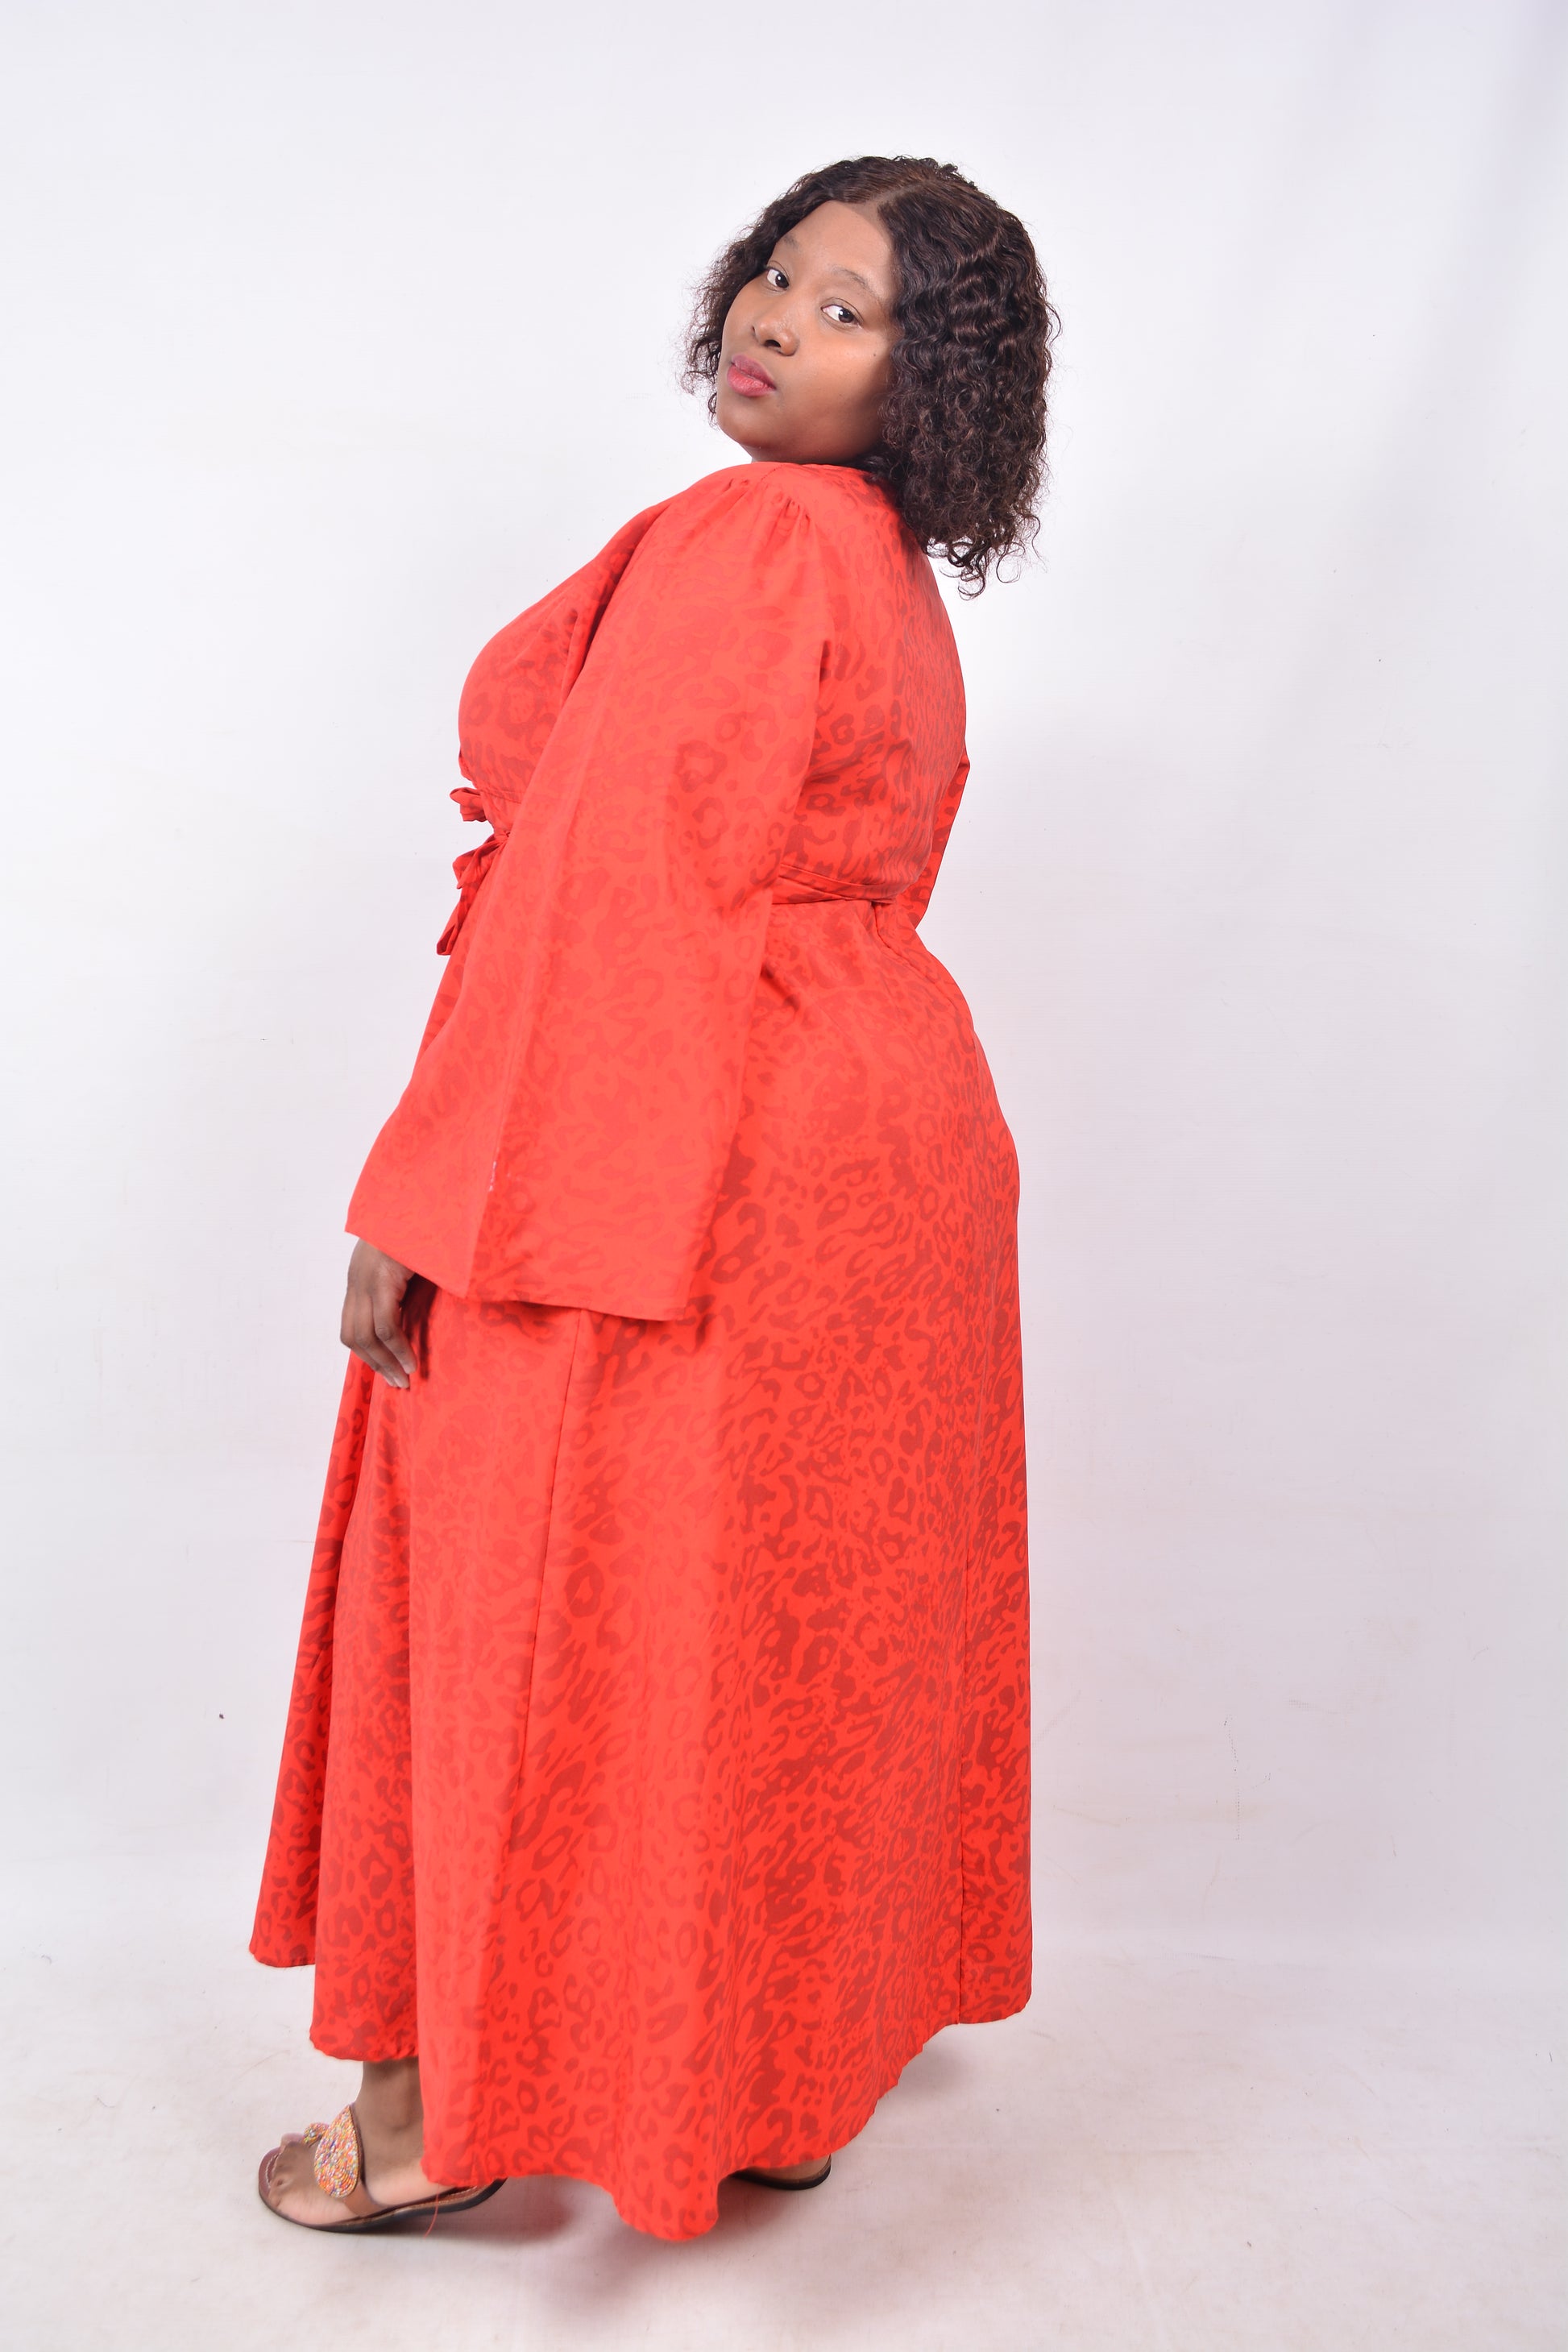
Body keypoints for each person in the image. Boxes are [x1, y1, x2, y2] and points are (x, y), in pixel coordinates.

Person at [251, 153, 1056, 2242]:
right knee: (770, 1618)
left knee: (525, 1594)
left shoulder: (754, 535)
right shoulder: (882, 572)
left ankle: (433, 2122)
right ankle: (774, 2083)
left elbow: (620, 881)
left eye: (849, 308)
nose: (778, 317)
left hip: (690, 1136)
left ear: (928, 382)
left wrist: (433, 1188)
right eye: (778, 273)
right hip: (884, 1148)